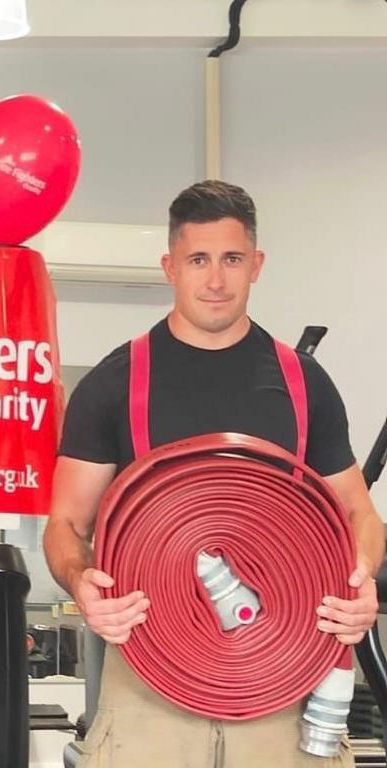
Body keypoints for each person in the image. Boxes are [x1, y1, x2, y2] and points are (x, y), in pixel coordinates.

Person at [43, 179, 382, 768]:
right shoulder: (114, 382)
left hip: (283, 674)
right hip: (152, 680)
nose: (217, 280)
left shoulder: (304, 384)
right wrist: (80, 584)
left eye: (231, 259)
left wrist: (361, 579)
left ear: (257, 264)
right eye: (199, 260)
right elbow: (66, 523)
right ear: (170, 266)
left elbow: (358, 511)